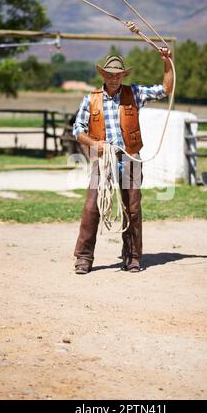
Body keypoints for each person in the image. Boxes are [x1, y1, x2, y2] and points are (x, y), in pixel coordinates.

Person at [73, 47, 173, 274]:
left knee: (133, 208)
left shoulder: (135, 93)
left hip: (130, 159)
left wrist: (167, 63)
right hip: (103, 160)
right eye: (110, 74)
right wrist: (94, 144)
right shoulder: (90, 99)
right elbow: (77, 129)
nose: (114, 77)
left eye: (118, 74)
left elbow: (166, 89)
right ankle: (84, 258)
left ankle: (132, 257)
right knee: (92, 208)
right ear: (103, 75)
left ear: (123, 76)